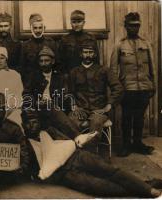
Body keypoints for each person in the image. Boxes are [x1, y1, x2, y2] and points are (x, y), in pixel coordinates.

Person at [22, 110, 161, 198]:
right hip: (65, 174)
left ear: (39, 123)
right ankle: (145, 185)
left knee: (110, 170)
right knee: (100, 187)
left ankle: (148, 190)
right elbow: (29, 166)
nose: (31, 126)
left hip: (77, 156)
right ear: (23, 124)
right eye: (27, 123)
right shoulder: (25, 143)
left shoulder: (48, 131)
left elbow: (69, 142)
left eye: (34, 122)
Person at [110, 12, 156, 157]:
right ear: (125, 26)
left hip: (143, 88)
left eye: (136, 26)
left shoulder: (146, 44)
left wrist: (152, 85)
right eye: (131, 26)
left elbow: (152, 67)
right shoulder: (120, 45)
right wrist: (116, 89)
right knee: (126, 117)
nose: (134, 29)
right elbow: (113, 69)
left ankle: (137, 144)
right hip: (127, 89)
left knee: (139, 117)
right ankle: (126, 145)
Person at [23, 46, 86, 140]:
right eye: (41, 61)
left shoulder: (60, 77)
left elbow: (65, 95)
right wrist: (36, 102)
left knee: (55, 128)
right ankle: (78, 136)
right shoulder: (34, 76)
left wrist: (72, 106)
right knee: (49, 106)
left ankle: (74, 142)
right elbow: (26, 95)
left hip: (55, 110)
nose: (43, 64)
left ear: (52, 61)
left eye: (46, 61)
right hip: (37, 110)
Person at [69, 39, 123, 145]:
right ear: (81, 54)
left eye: (90, 52)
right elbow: (69, 92)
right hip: (81, 109)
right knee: (71, 120)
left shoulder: (103, 70)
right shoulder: (74, 72)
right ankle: (76, 152)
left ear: (94, 54)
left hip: (99, 110)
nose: (88, 55)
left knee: (96, 123)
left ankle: (92, 153)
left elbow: (118, 87)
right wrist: (74, 106)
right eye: (85, 52)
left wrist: (109, 105)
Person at [20, 13, 60, 83]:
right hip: (31, 81)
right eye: (35, 28)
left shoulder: (51, 43)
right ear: (31, 28)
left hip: (48, 79)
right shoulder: (25, 45)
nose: (38, 31)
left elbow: (57, 64)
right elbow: (22, 67)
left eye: (40, 28)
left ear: (44, 28)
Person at [59, 10, 99, 75]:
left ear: (84, 23)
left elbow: (96, 59)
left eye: (79, 22)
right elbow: (61, 60)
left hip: (87, 74)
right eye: (74, 22)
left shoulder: (90, 38)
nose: (76, 25)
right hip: (70, 73)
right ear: (71, 23)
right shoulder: (65, 39)